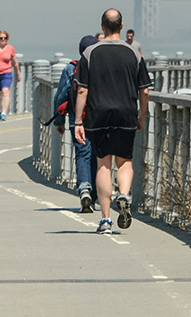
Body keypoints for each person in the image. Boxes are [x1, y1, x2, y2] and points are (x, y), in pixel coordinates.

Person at [74, 9, 151, 234]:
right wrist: (142, 116)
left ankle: (106, 220)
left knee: (103, 164)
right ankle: (124, 194)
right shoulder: (134, 53)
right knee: (125, 162)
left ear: (102, 27)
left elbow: (82, 91)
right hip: (126, 113)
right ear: (121, 26)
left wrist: (78, 121)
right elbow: (144, 91)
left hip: (98, 115)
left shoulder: (89, 53)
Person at [53, 35, 99, 213]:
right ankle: (94, 196)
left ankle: (84, 189)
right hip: (98, 119)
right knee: (97, 156)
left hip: (76, 119)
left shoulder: (72, 68)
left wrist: (58, 120)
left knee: (82, 154)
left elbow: (61, 96)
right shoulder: (101, 68)